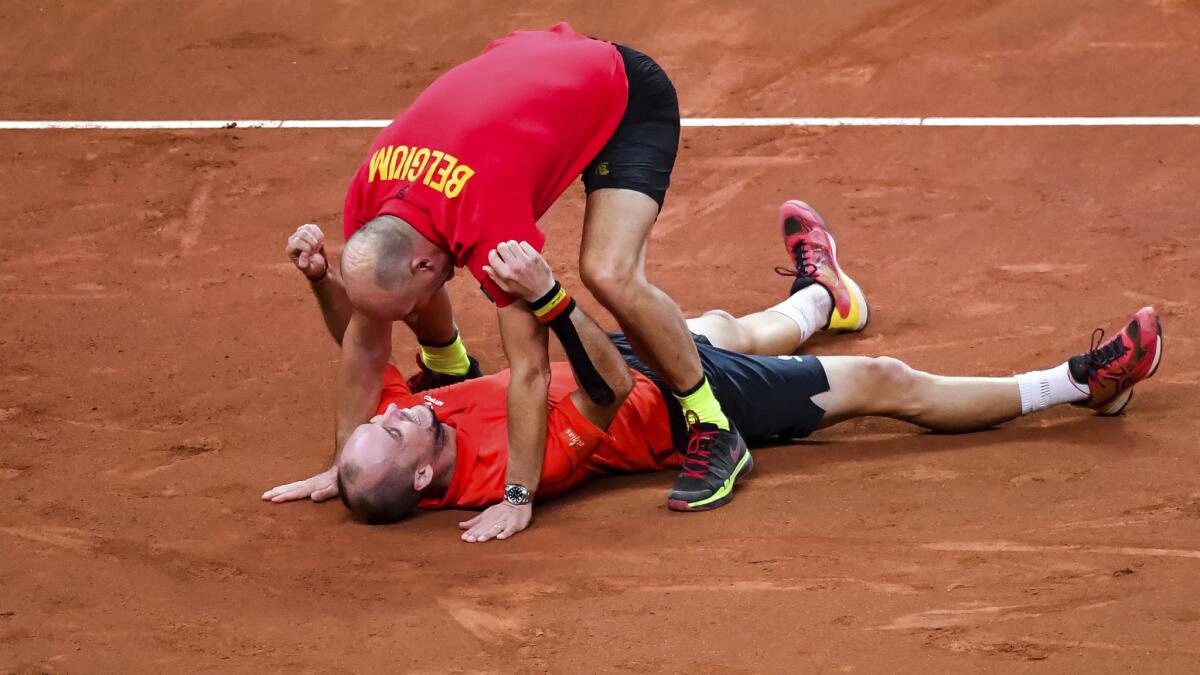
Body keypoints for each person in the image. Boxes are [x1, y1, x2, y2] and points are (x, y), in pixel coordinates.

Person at [267, 202, 1164, 542]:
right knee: (882, 381)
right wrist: (547, 300)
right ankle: (1084, 382)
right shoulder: (502, 474)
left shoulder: (408, 440)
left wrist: (321, 281)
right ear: (425, 478)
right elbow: (612, 393)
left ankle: (825, 296)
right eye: (388, 432)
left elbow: (371, 349)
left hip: (617, 354)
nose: (388, 415)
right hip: (673, 408)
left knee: (729, 322)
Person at [287, 24, 874, 540]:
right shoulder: (371, 207)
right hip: (537, 64)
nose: (413, 311)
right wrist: (345, 462)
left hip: (620, 94)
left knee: (608, 272)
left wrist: (518, 495)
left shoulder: (492, 231)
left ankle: (713, 423)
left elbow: (532, 370)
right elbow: (366, 332)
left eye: (416, 298)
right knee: (719, 331)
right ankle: (825, 300)